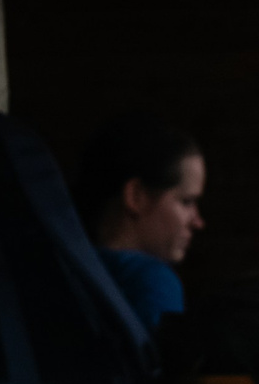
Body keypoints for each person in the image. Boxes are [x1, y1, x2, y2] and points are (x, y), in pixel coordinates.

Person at [74, 114, 205, 333]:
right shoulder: (151, 281)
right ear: (136, 196)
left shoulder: (61, 269)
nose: (198, 222)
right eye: (186, 201)